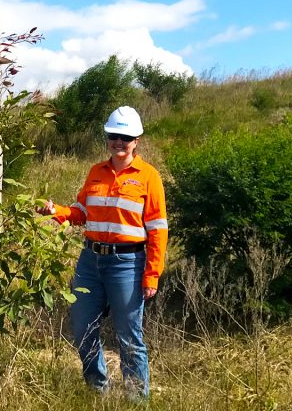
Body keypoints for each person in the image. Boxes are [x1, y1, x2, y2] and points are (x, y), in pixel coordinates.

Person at [38, 106, 168, 399]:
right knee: (83, 329)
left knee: (129, 337)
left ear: (136, 140)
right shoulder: (96, 171)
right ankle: (98, 393)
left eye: (125, 137)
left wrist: (152, 275)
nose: (118, 142)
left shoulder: (149, 177)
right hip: (90, 262)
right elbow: (82, 211)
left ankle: (135, 400)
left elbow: (158, 229)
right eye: (113, 136)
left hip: (128, 263)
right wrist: (55, 211)